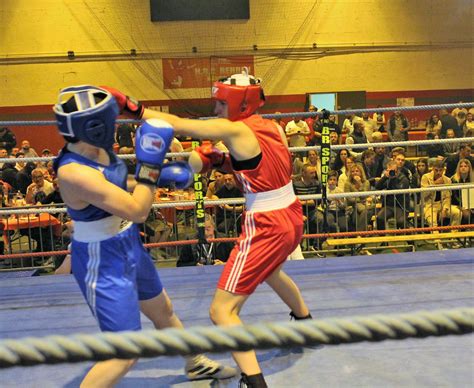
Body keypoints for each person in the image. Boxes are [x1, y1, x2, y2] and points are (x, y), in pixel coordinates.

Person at [103, 67, 312, 388]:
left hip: (267, 224)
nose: (215, 110)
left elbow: (180, 125)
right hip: (292, 215)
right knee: (270, 271)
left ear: (239, 104)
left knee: (221, 311)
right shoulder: (272, 128)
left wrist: (136, 110)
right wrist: (218, 161)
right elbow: (257, 162)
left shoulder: (236, 130)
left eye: (220, 104)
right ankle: (305, 324)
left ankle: (253, 381)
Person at [52, 85, 236, 387]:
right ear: (91, 127)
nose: (114, 130)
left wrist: (157, 174)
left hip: (128, 244)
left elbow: (117, 181)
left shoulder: (97, 149)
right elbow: (138, 210)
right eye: (108, 124)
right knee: (124, 352)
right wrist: (150, 167)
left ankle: (195, 363)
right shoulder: (74, 173)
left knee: (163, 310)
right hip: (102, 258)